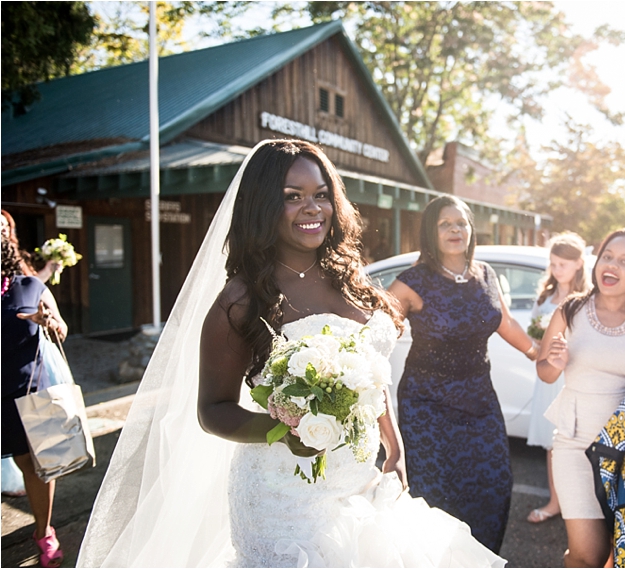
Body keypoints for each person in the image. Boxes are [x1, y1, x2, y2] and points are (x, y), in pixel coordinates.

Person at [77, 140, 504, 568]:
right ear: (262, 206)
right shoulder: (241, 299)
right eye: (292, 197)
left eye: (321, 195)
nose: (312, 207)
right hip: (282, 498)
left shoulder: (350, 278)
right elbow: (213, 410)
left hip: (358, 480)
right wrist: (286, 429)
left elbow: (369, 373)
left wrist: (392, 441)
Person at [387, 194, 541, 553]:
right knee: (437, 497)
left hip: (479, 400)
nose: (455, 229)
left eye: (461, 223)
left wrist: (537, 352)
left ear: (471, 229)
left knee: (495, 485)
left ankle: (480, 559)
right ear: (431, 232)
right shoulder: (412, 282)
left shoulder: (484, 273)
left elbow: (505, 320)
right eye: (445, 224)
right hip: (427, 406)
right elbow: (377, 334)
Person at [536, 228, 625, 567]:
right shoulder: (570, 310)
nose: (612, 265)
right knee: (587, 552)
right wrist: (553, 362)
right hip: (574, 444)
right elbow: (544, 372)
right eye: (608, 256)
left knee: (617, 555)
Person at [2, 232, 69, 568]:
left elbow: (61, 328)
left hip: (30, 389)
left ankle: (44, 532)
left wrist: (47, 321)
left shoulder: (31, 286)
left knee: (36, 465)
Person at [525, 232, 588, 524]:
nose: (557, 270)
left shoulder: (589, 298)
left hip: (574, 377)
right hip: (548, 377)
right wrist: (536, 343)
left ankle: (584, 506)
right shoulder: (545, 297)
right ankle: (555, 501)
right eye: (553, 264)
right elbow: (534, 336)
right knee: (553, 442)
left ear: (578, 264)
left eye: (563, 264)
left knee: (579, 442)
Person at [1, 210, 62, 284]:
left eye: (7, 226)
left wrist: (49, 268)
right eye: (0, 225)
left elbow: (30, 286)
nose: (4, 229)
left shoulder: (16, 256)